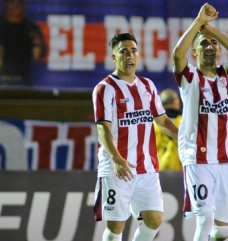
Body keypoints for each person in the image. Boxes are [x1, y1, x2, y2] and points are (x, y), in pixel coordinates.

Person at [172, 3, 228, 241]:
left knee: (222, 231)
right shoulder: (189, 78)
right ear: (194, 53)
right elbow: (177, 55)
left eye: (213, 44)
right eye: (203, 43)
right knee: (204, 217)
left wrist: (211, 31)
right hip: (197, 158)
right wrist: (198, 23)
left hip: (226, 159)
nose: (210, 46)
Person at [92, 32, 178, 241]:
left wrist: (184, 138)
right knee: (116, 227)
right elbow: (103, 128)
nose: (130, 55)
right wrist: (116, 159)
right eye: (123, 51)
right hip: (117, 166)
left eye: (133, 51)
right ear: (114, 57)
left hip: (146, 166)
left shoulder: (147, 86)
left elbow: (163, 120)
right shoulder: (104, 89)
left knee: (154, 220)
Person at [0, 0, 46, 86]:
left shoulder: (31, 28)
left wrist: (40, 45)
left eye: (19, 2)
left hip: (23, 81)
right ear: (5, 4)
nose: (15, 6)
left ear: (24, 5)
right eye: (12, 2)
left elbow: (41, 54)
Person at [155, 88, 183, 171]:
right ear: (175, 101)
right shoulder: (184, 121)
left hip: (158, 167)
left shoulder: (153, 123)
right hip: (179, 168)